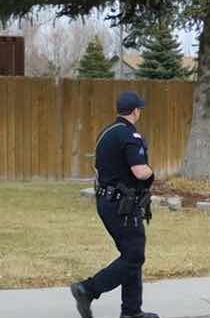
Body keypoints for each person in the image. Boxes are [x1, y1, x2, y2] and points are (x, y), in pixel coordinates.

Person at [70, 91, 158, 318]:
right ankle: (87, 289)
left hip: (106, 202)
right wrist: (152, 172)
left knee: (130, 255)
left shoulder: (106, 133)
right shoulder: (130, 136)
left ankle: (131, 311)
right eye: (140, 109)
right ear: (135, 111)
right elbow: (139, 172)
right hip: (123, 207)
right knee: (135, 256)